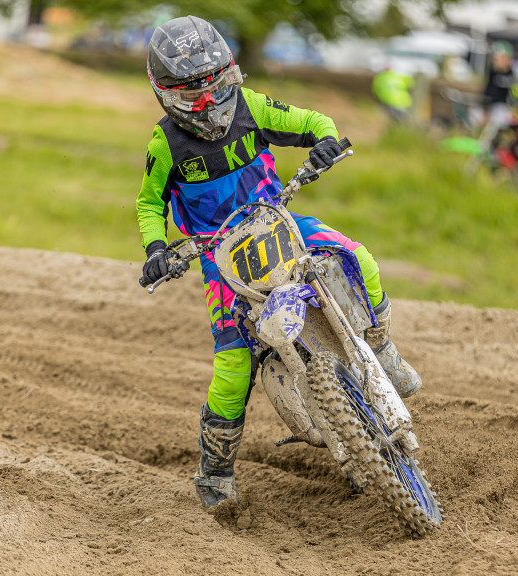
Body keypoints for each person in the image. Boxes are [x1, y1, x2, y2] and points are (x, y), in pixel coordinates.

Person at [137, 16, 422, 510]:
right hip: (220, 257)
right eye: (194, 93)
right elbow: (148, 204)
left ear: (231, 72)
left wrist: (326, 141)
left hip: (279, 222)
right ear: (168, 94)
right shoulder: (166, 145)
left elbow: (312, 122)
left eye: (216, 84)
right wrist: (156, 250)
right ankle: (216, 472)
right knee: (233, 364)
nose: (210, 101)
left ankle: (383, 349)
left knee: (357, 258)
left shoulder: (252, 107)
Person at [483, 42, 515, 132]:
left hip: (507, 109)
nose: (494, 61)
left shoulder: (515, 74)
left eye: (497, 58)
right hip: (493, 108)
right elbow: (488, 94)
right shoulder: (492, 73)